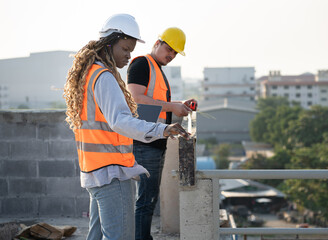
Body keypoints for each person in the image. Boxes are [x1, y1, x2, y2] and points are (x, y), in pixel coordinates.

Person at [63, 14, 189, 240]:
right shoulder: (104, 77)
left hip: (95, 170)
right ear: (109, 44)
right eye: (125, 49)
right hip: (110, 171)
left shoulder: (90, 73)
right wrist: (162, 129)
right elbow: (120, 120)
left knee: (97, 235)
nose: (129, 56)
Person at [127, 27, 198, 240]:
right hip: (145, 141)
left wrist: (178, 105)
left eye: (175, 53)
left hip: (155, 139)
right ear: (157, 43)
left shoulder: (156, 69)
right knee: (146, 200)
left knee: (149, 198)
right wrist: (172, 107)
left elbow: (157, 103)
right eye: (169, 49)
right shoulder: (142, 64)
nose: (171, 55)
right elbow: (137, 99)